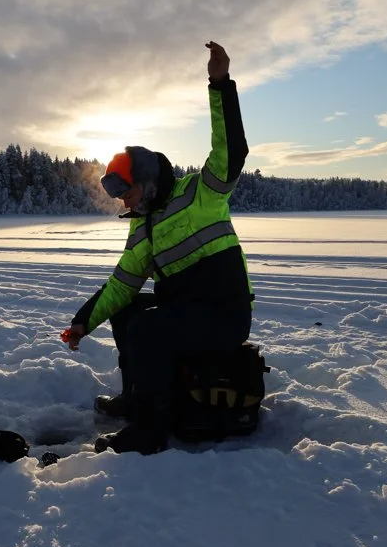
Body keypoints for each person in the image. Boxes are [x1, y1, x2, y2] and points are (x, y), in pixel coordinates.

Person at [62, 41, 254, 454]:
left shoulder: (201, 193)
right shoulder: (144, 228)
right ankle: (137, 397)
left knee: (149, 328)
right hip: (187, 312)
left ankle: (150, 431)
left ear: (147, 181)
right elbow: (120, 285)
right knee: (129, 311)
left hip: (224, 314)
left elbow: (230, 150)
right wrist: (83, 322)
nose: (123, 202)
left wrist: (219, 84)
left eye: (126, 192)